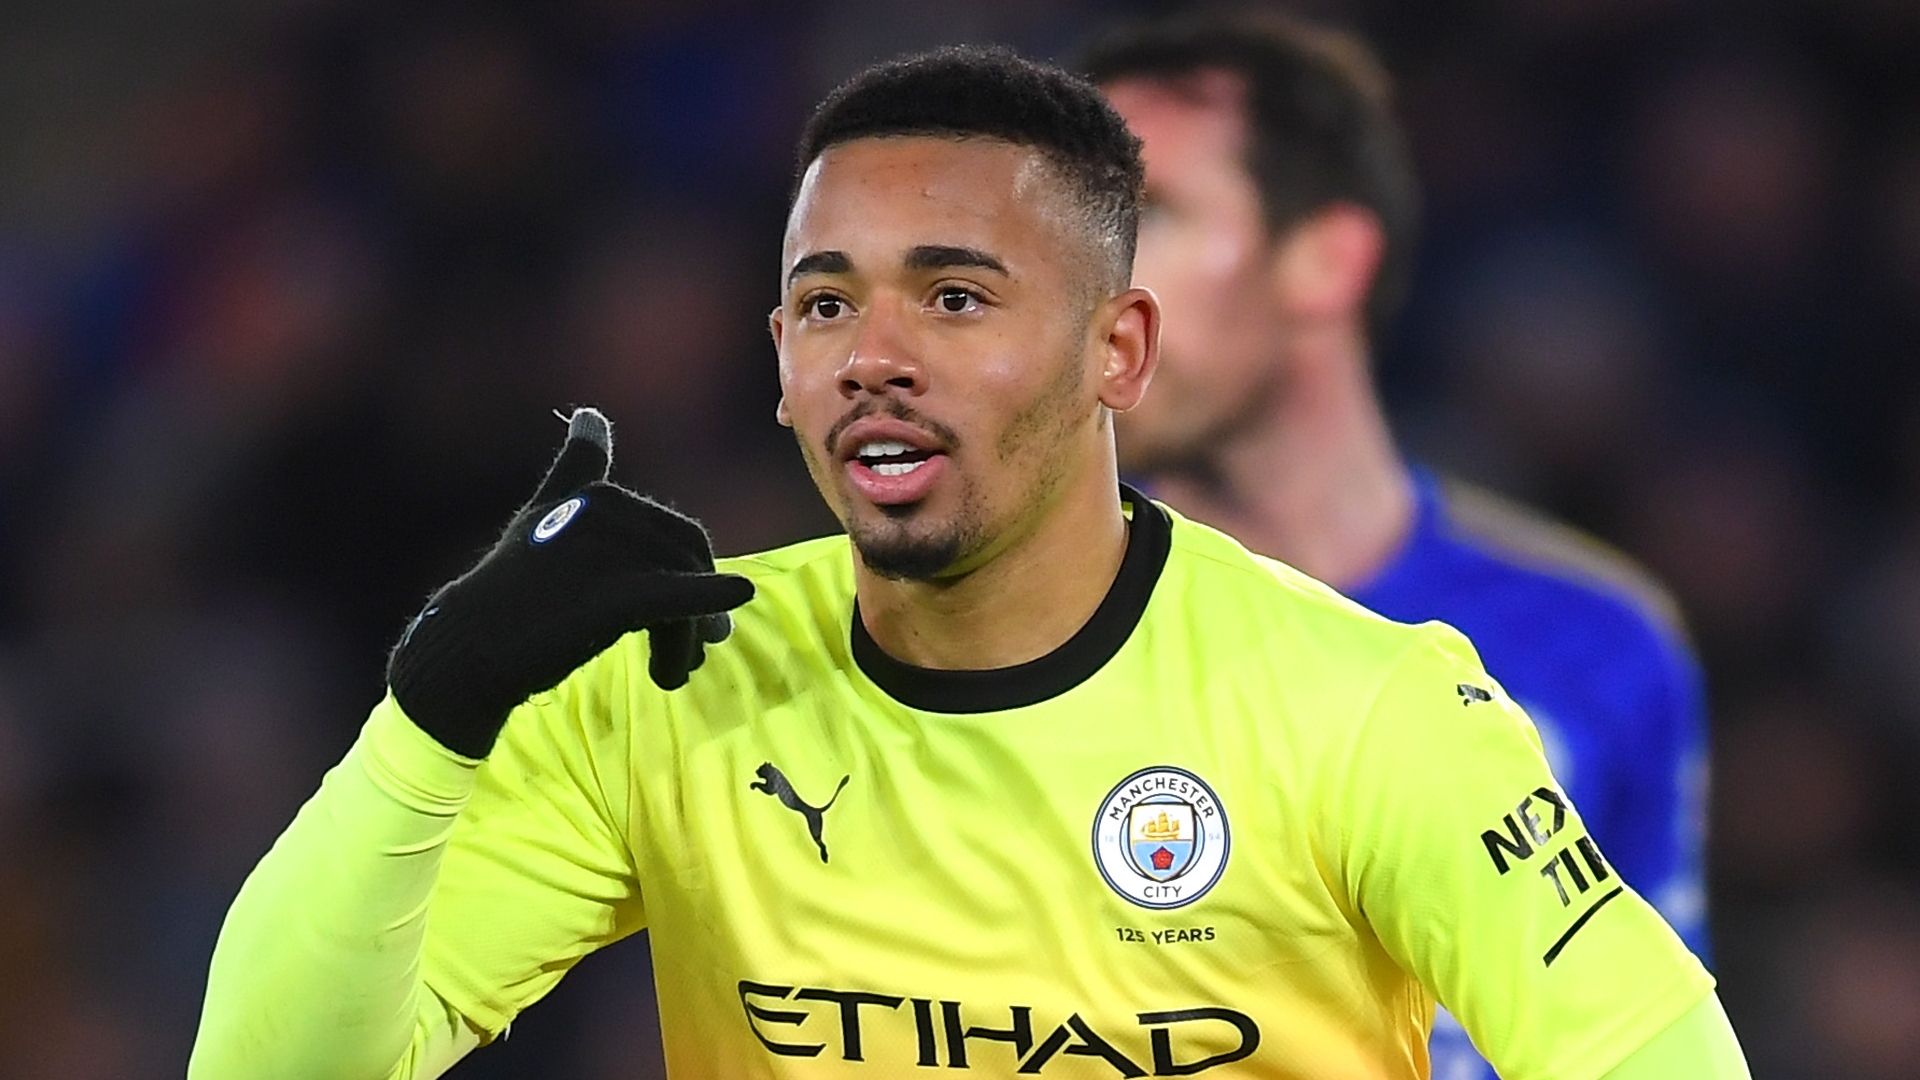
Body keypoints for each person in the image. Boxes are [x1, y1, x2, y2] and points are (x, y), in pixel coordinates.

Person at [189, 45, 1743, 1078]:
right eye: (824, 303)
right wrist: (435, 716)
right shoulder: (673, 688)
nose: (873, 356)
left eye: (953, 299)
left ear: (1116, 351)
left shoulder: (1366, 711)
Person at [1078, 13, 1711, 1078]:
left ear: (1325, 260)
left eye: (1148, 218)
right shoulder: (998, 623)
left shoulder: (1600, 642)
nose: (1083, 288)